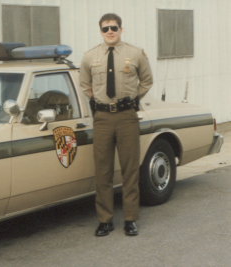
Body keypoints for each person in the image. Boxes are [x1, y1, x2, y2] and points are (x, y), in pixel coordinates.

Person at [79, 13, 153, 236]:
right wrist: (100, 100)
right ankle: (105, 220)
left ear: (121, 29)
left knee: (130, 169)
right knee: (103, 171)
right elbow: (85, 85)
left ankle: (130, 219)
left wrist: (132, 99)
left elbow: (147, 80)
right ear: (100, 32)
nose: (109, 31)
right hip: (102, 118)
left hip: (126, 116)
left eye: (113, 27)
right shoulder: (89, 57)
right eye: (105, 29)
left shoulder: (135, 53)